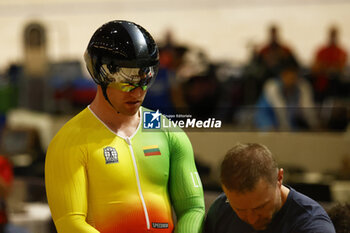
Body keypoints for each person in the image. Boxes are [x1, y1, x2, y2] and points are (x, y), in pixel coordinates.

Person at [45, 20, 205, 233]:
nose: (138, 92)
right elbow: (70, 223)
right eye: (127, 82)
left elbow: (193, 207)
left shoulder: (167, 131)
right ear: (100, 75)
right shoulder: (68, 142)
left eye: (145, 80)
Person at [203, 143, 335, 233]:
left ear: (279, 178)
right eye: (239, 209)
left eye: (260, 207)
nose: (252, 219)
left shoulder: (312, 226)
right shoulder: (221, 209)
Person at [254, 61, 319, 131]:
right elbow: (279, 107)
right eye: (287, 76)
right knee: (269, 131)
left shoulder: (302, 86)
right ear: (282, 75)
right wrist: (285, 128)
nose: (291, 80)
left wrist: (315, 125)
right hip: (267, 117)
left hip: (289, 119)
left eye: (294, 77)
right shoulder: (272, 85)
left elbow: (307, 106)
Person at [311, 25, 348, 103]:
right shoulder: (321, 50)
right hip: (322, 81)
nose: (333, 37)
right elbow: (315, 67)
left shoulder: (342, 51)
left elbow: (341, 67)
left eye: (334, 34)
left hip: (336, 82)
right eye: (332, 34)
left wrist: (325, 66)